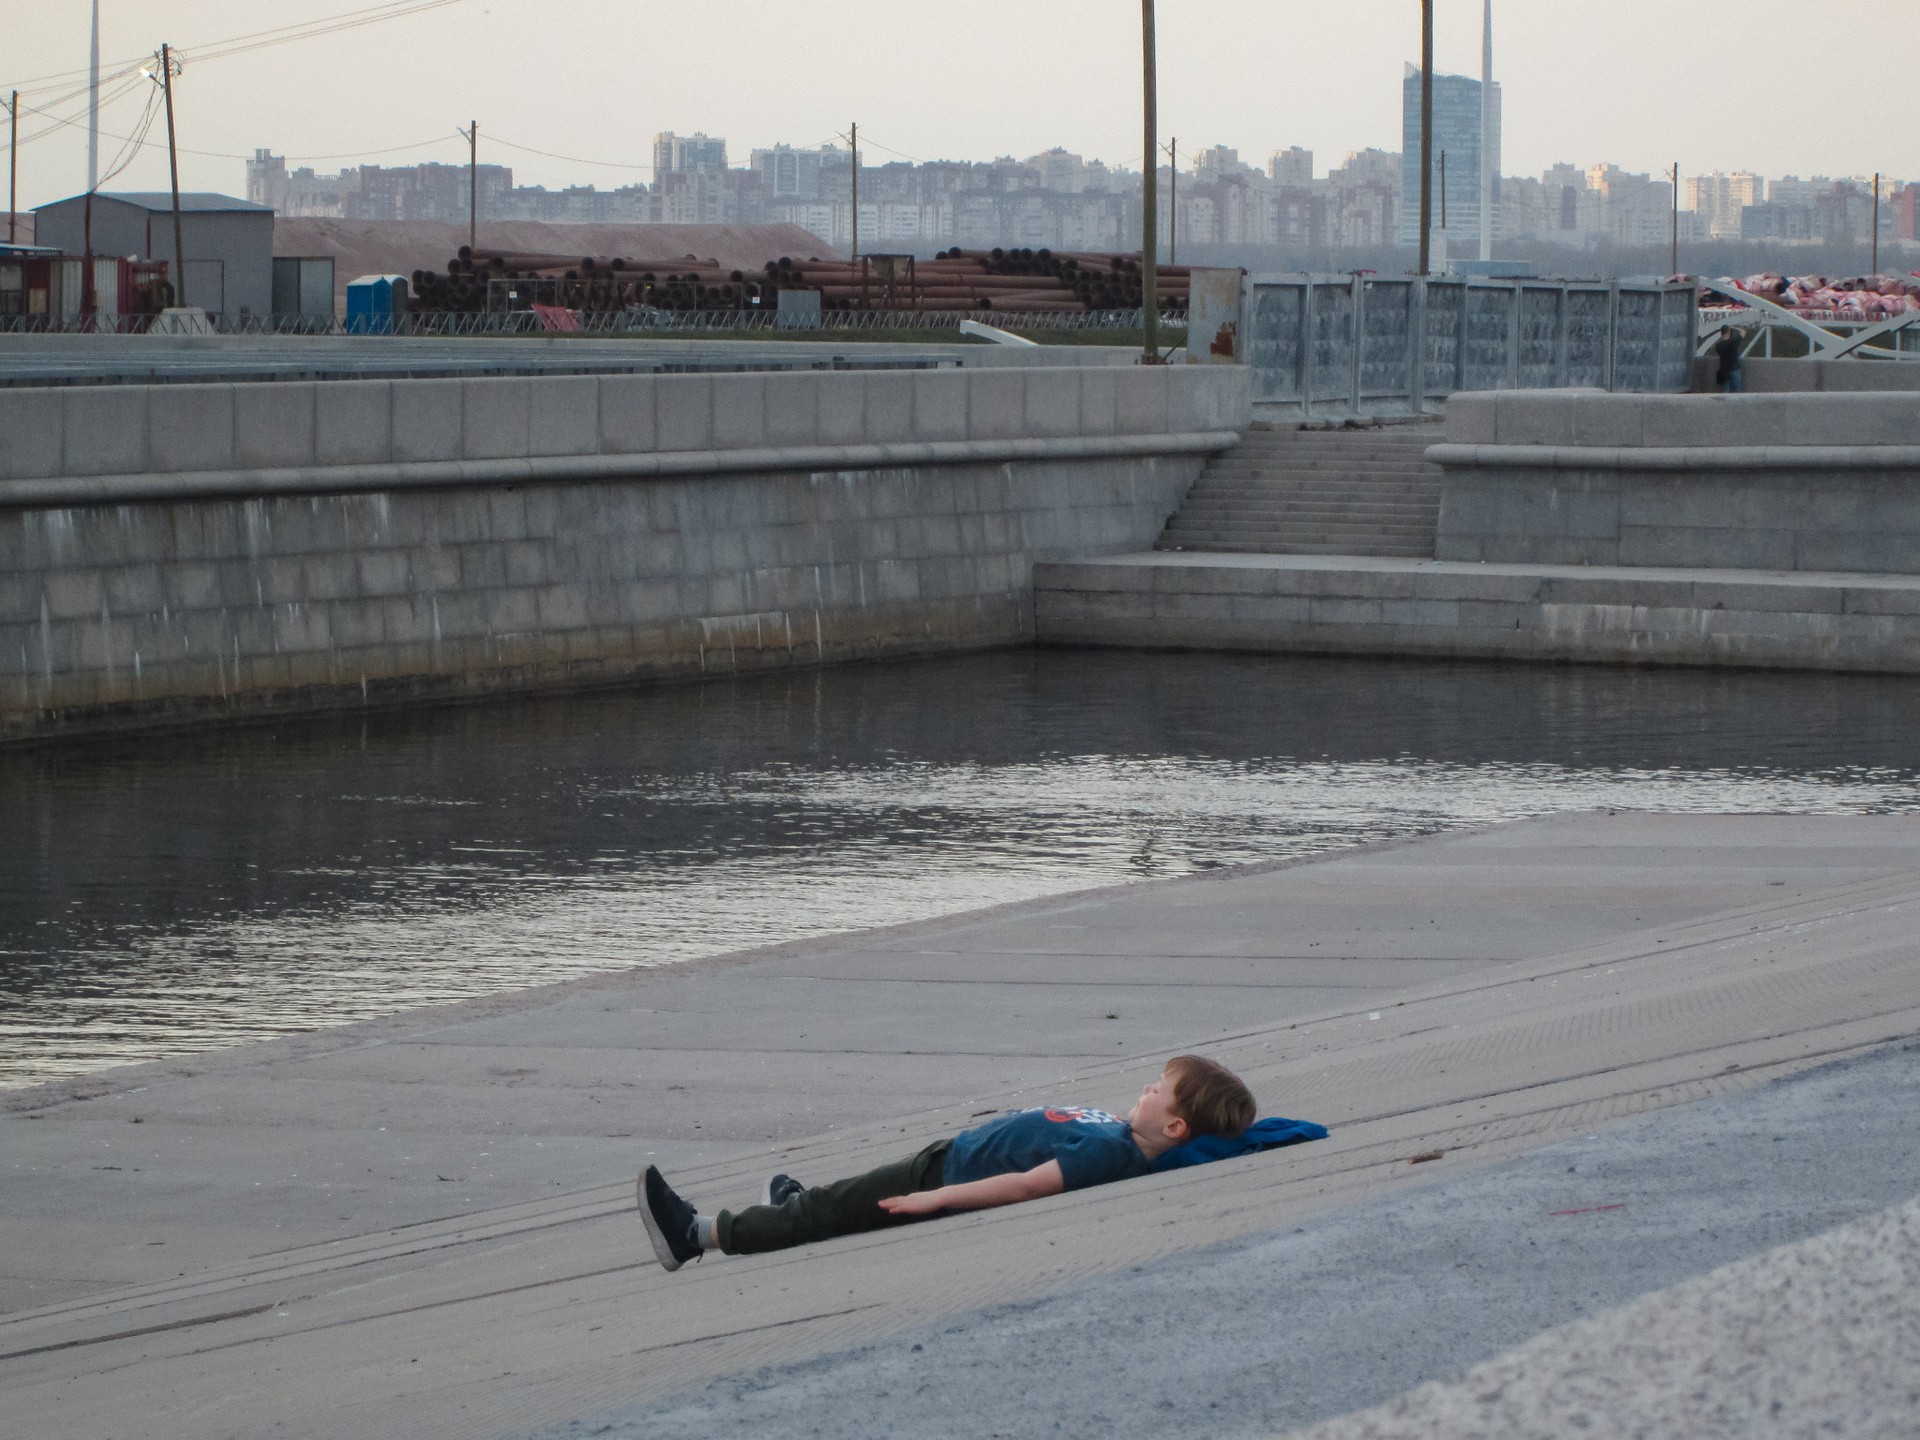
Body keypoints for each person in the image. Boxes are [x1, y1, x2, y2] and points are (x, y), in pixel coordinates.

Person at [638, 1054, 1267, 1270]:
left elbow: (1028, 1187)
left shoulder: (1112, 1151)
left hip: (942, 1177)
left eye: (1160, 1090)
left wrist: (935, 1198)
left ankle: (697, 1234)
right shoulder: (1124, 1137)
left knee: (827, 1212)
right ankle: (790, 1206)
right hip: (946, 1160)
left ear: (1175, 1126)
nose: (1147, 1088)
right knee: (839, 1199)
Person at [1713, 326, 1747, 393]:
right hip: (1735, 368)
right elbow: (1743, 332)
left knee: (1726, 390)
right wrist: (1735, 327)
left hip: (1724, 370)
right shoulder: (1733, 342)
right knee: (1737, 389)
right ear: (1729, 332)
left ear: (1721, 333)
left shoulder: (1718, 345)